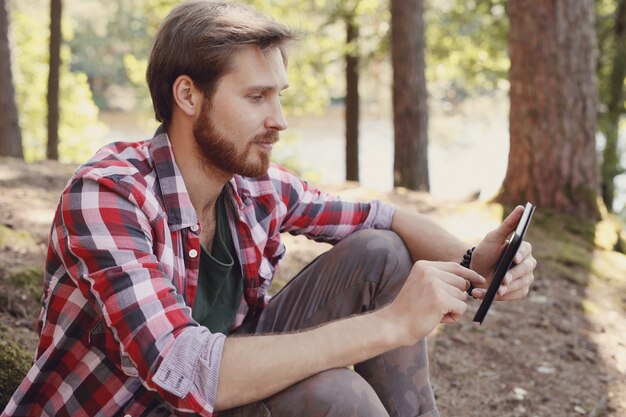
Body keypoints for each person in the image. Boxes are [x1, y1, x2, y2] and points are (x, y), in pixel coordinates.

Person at [2, 2, 536, 417]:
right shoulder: (108, 195)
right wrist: (393, 324)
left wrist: (475, 260)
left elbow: (381, 218)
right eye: (257, 98)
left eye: (279, 96)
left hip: (218, 395)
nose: (279, 119)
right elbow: (181, 367)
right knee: (338, 394)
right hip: (135, 404)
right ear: (188, 96)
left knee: (382, 253)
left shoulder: (254, 188)